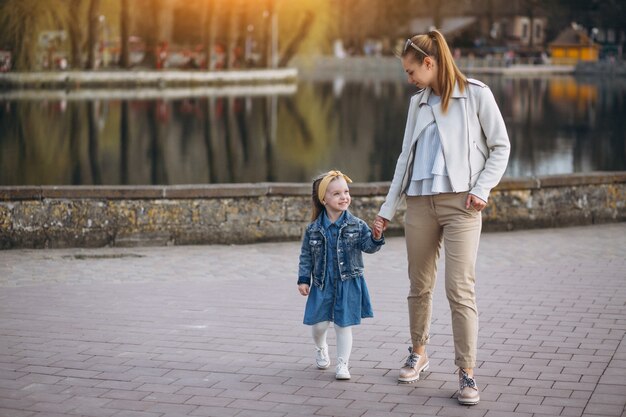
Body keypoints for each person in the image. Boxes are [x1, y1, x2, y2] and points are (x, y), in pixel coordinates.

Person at [373, 30, 510, 405]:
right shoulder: (417, 103)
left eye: (411, 71)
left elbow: (501, 147)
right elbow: (404, 158)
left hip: (462, 206)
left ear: (429, 64)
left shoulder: (476, 94)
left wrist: (482, 189)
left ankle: (467, 373)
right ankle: (418, 353)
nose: (409, 79)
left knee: (459, 290)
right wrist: (387, 210)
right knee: (419, 285)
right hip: (419, 204)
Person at [298, 170, 385, 380]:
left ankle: (343, 364)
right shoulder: (313, 229)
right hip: (321, 283)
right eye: (336, 193)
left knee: (343, 324)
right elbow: (306, 255)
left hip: (348, 281)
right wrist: (303, 279)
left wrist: (376, 237)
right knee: (319, 325)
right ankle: (321, 348)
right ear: (324, 199)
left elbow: (368, 247)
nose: (344, 197)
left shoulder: (357, 224)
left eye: (346, 191)